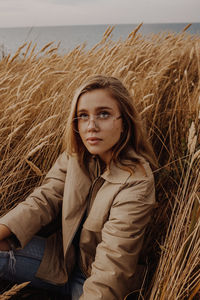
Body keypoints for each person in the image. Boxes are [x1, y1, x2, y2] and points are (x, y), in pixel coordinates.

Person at [0, 75, 157, 299]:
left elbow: (113, 265)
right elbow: (43, 200)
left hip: (93, 281)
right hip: (61, 262)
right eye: (83, 116)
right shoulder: (75, 157)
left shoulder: (137, 182)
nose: (91, 126)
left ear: (124, 122)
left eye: (103, 114)